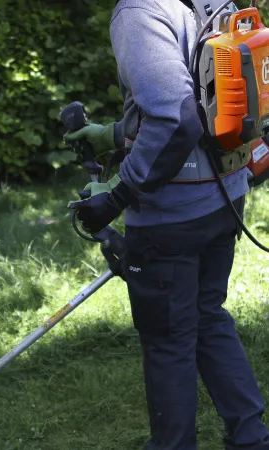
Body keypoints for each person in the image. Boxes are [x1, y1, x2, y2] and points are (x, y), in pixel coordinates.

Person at [65, 0, 269, 448]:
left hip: (172, 218)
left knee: (168, 342)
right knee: (207, 315)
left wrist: (117, 195)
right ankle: (252, 436)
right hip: (225, 198)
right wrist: (113, 135)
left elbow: (177, 119)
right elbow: (202, 100)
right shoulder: (213, 0)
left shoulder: (138, 11)